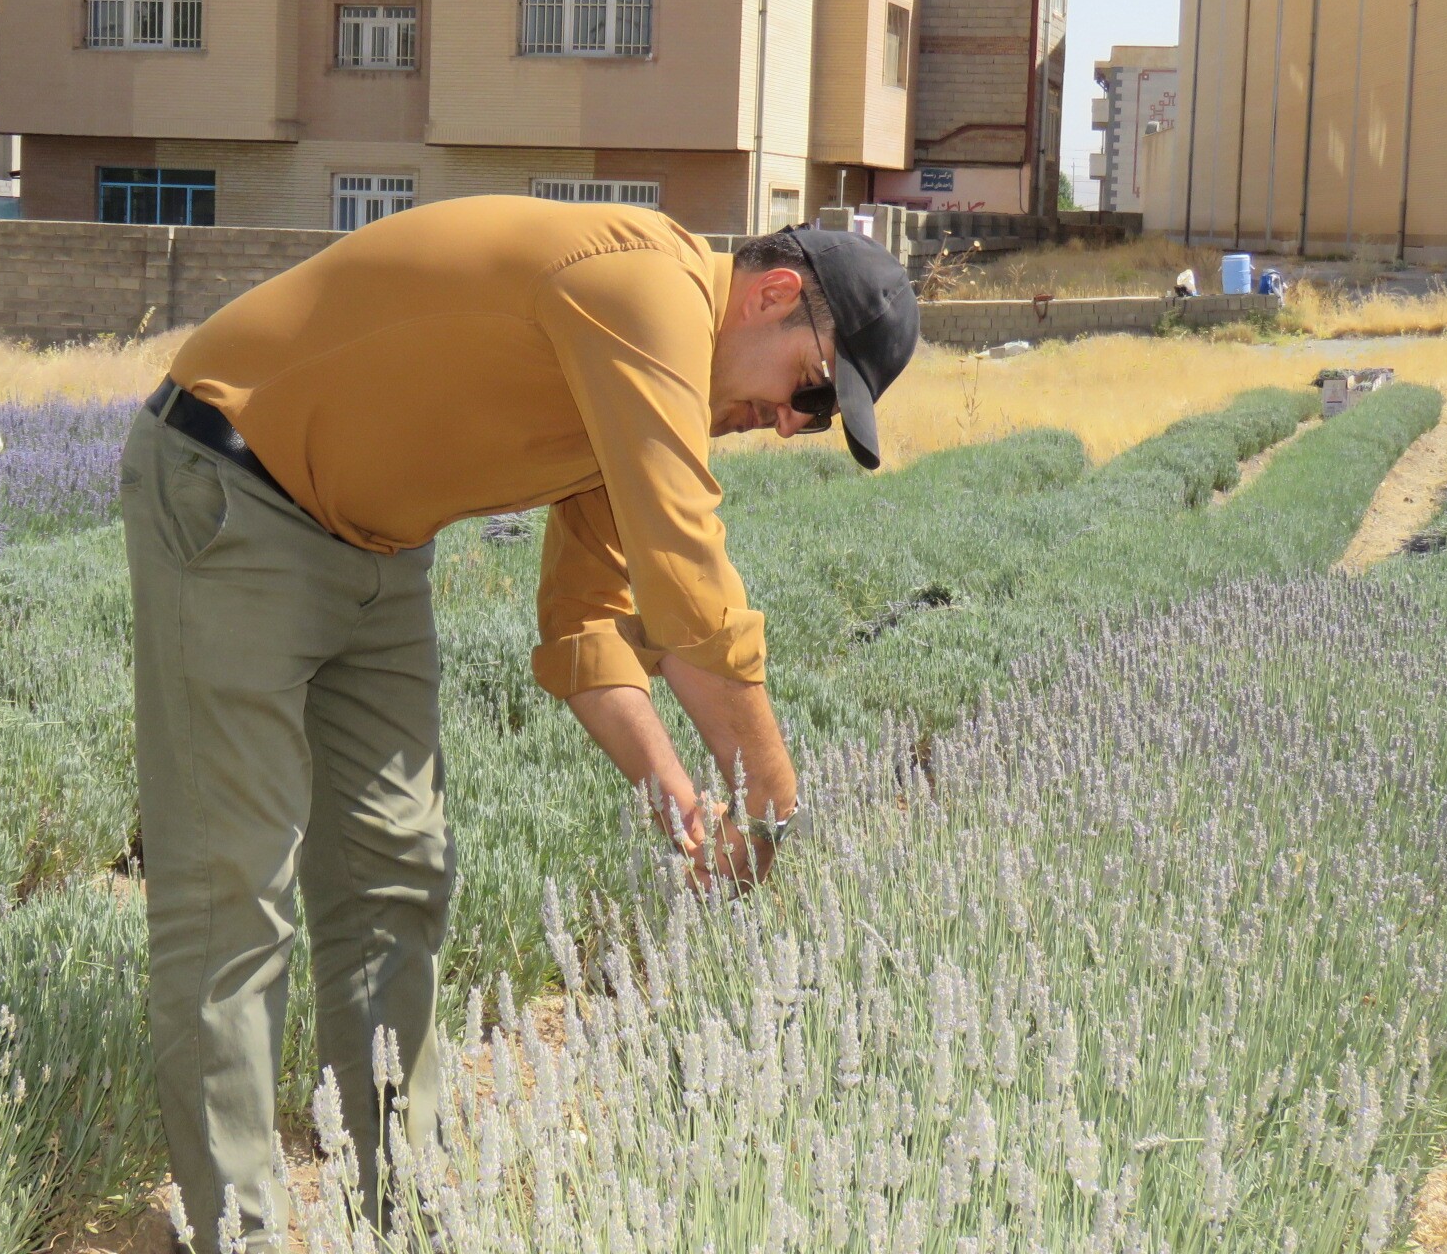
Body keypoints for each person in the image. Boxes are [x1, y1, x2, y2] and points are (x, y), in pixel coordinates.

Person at [119, 198, 920, 1250]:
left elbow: (587, 623)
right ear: (774, 296)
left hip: (378, 549)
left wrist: (678, 798)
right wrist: (766, 814)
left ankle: (410, 1221)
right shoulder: (643, 289)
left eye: (816, 419)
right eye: (811, 389)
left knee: (396, 875)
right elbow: (691, 594)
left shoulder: (640, 384)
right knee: (234, 890)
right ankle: (243, 1235)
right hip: (231, 492)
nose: (789, 423)